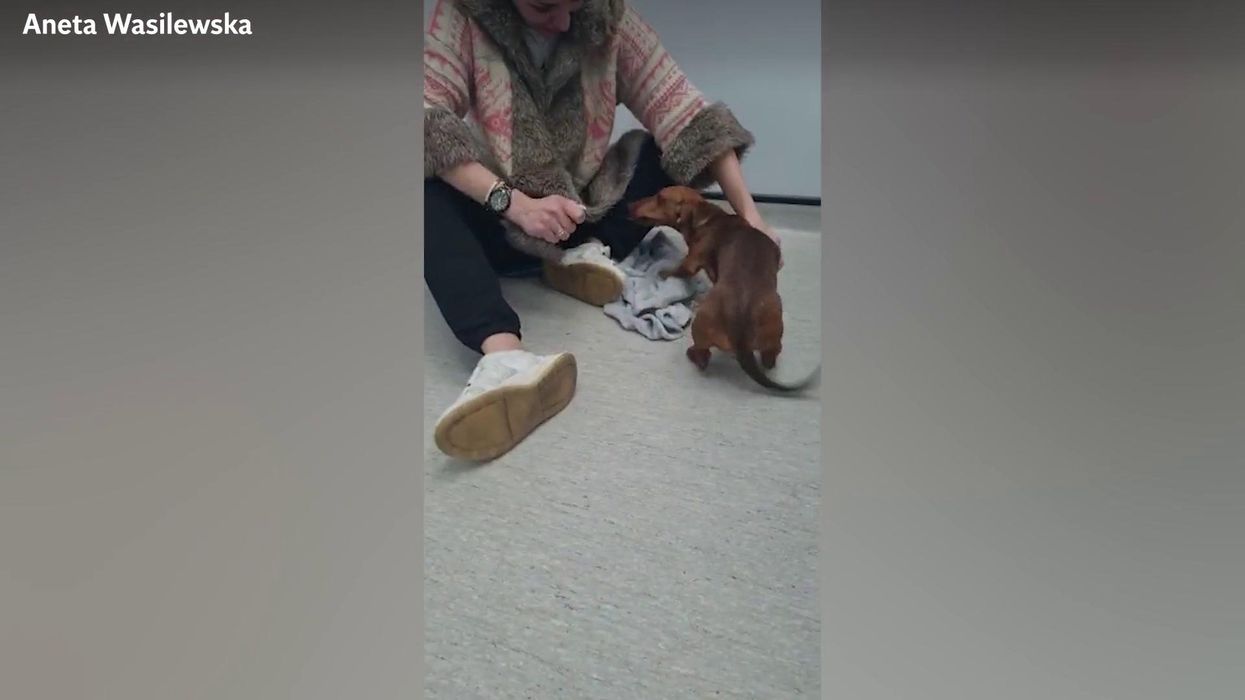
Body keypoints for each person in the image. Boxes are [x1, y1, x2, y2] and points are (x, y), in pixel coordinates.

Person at [424, 0, 779, 460]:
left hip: (581, 217)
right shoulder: (461, 16)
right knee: (420, 180)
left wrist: (751, 218)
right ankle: (507, 358)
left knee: (668, 150)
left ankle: (578, 259)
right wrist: (513, 203)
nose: (566, 22)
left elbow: (688, 116)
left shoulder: (607, 16)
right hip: (497, 217)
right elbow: (426, 118)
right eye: (545, 7)